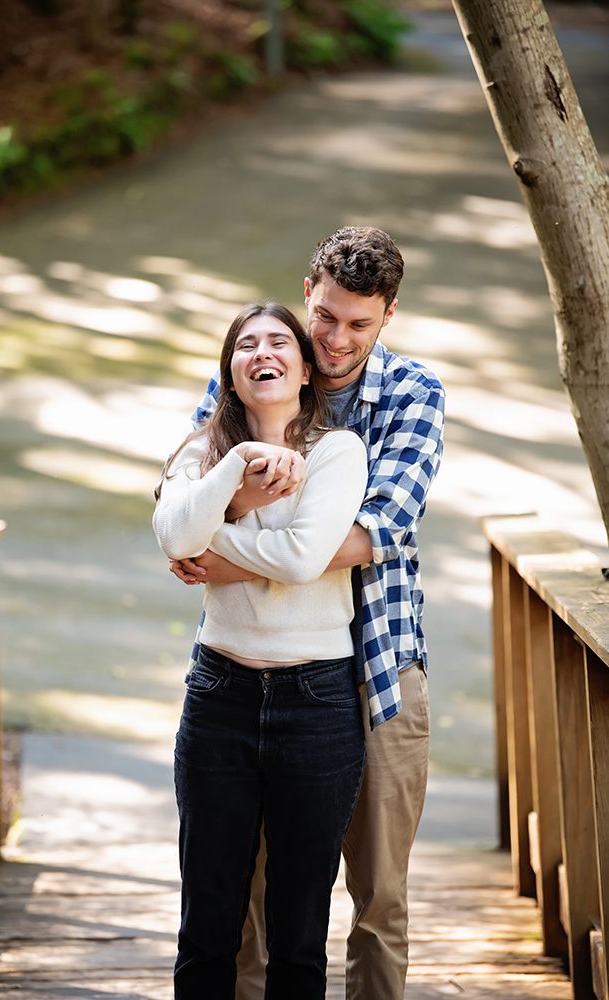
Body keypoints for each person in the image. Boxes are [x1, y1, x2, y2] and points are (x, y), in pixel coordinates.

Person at [170, 226, 446, 1000]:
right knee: (249, 894)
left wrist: (223, 553)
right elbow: (179, 491)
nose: (334, 339)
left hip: (379, 664)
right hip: (256, 671)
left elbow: (375, 533)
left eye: (359, 323)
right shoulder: (259, 367)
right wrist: (201, 520)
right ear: (306, 294)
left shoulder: (413, 393)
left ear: (388, 314)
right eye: (324, 316)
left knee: (377, 894)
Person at [153, 302, 368, 1000]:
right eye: (245, 345)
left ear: (305, 371)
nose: (262, 352)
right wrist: (237, 467)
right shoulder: (201, 452)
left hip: (317, 703)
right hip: (220, 696)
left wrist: (215, 543)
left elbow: (304, 558)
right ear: (230, 373)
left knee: (299, 931)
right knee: (207, 921)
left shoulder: (337, 451)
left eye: (279, 341)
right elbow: (173, 538)